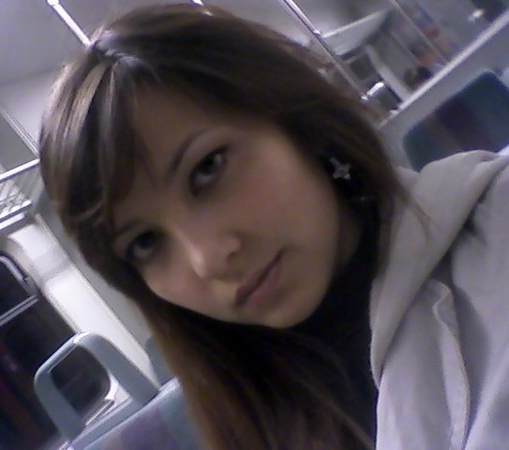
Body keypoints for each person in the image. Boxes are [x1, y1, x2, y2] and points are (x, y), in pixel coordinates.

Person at [39, 4, 509, 450]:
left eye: (207, 168)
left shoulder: (496, 226)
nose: (207, 259)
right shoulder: (250, 418)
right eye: (145, 243)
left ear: (300, 123)